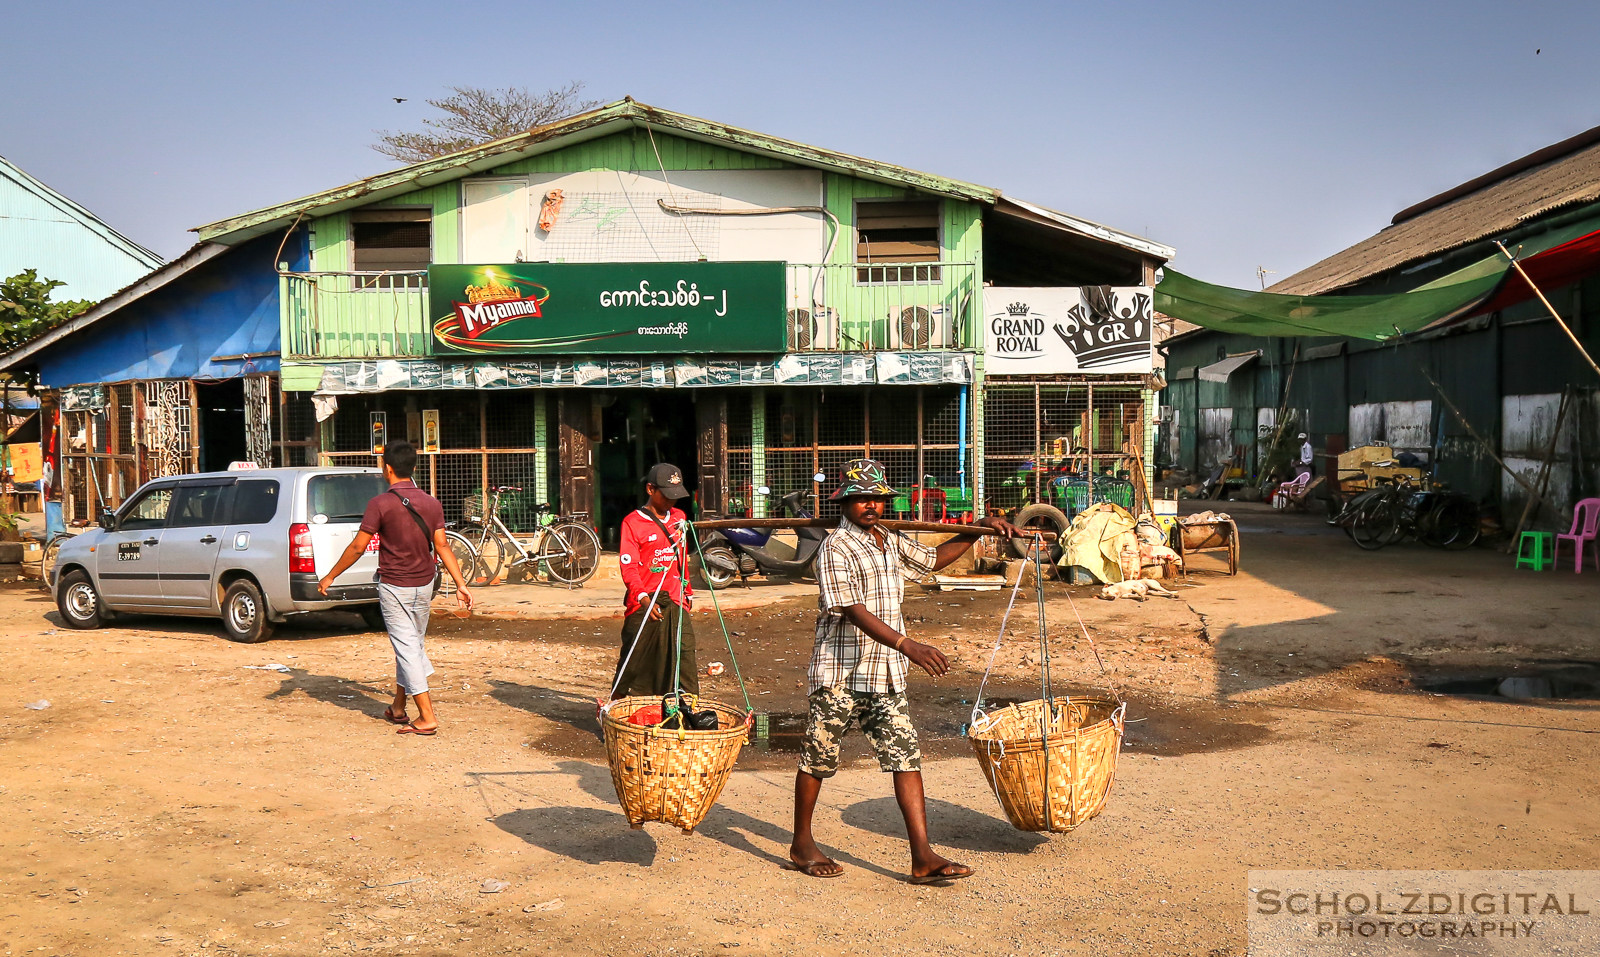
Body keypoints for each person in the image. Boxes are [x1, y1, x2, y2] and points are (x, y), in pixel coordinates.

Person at [790, 458, 1019, 884]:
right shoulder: (835, 548)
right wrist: (906, 643)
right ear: (844, 502)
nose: (871, 506)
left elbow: (933, 559)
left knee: (905, 757)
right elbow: (851, 608)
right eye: (861, 499)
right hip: (839, 671)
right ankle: (802, 842)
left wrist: (978, 528)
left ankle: (923, 856)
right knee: (818, 757)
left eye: (877, 498)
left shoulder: (887, 539)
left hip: (884, 674)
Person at [318, 440, 472, 736]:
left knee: (407, 648)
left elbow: (358, 547)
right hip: (425, 584)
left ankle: (427, 717)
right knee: (411, 645)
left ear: (386, 469)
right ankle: (399, 707)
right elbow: (442, 546)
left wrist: (330, 576)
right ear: (412, 468)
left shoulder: (380, 504)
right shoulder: (431, 502)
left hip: (395, 587)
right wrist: (461, 584)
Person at [611, 463, 698, 699]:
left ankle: (686, 711)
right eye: (667, 496)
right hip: (645, 599)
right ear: (650, 489)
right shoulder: (632, 522)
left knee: (685, 656)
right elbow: (628, 567)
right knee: (633, 659)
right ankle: (618, 707)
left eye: (676, 496)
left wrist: (687, 593)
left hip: (675, 598)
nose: (672, 502)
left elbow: (682, 559)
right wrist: (643, 598)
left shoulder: (680, 518)